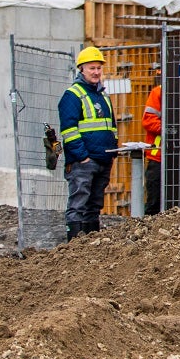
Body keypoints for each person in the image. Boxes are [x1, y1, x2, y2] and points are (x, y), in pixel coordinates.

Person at [58, 46, 118, 241]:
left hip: (102, 159)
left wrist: (112, 151)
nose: (96, 72)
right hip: (84, 161)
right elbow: (69, 130)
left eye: (99, 68)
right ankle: (74, 246)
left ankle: (92, 245)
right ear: (81, 69)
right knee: (78, 203)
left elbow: (111, 126)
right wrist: (82, 156)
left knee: (94, 205)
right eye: (92, 68)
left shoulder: (102, 95)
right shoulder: (73, 95)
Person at [141, 77, 163, 216]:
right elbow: (148, 121)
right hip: (158, 156)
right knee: (154, 199)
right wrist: (167, 129)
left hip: (172, 155)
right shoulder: (158, 92)